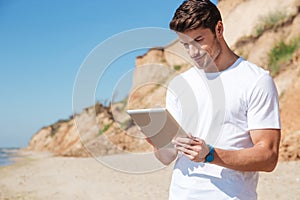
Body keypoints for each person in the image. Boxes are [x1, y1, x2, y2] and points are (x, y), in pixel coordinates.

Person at [150, 0, 281, 199]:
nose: (193, 52)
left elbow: (268, 157)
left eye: (198, 40)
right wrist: (158, 144)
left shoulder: (256, 81)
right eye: (186, 45)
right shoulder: (179, 84)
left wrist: (210, 154)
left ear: (218, 29)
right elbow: (167, 157)